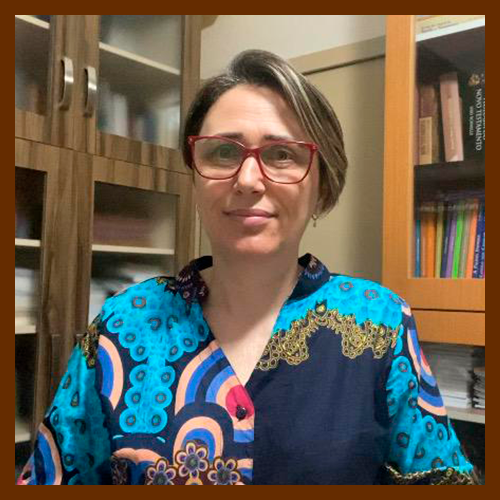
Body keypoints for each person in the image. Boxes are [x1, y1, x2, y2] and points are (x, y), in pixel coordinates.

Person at [17, 49, 477, 485]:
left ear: (322, 184)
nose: (249, 180)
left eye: (282, 154)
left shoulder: (380, 322)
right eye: (223, 152)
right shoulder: (123, 323)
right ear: (194, 175)